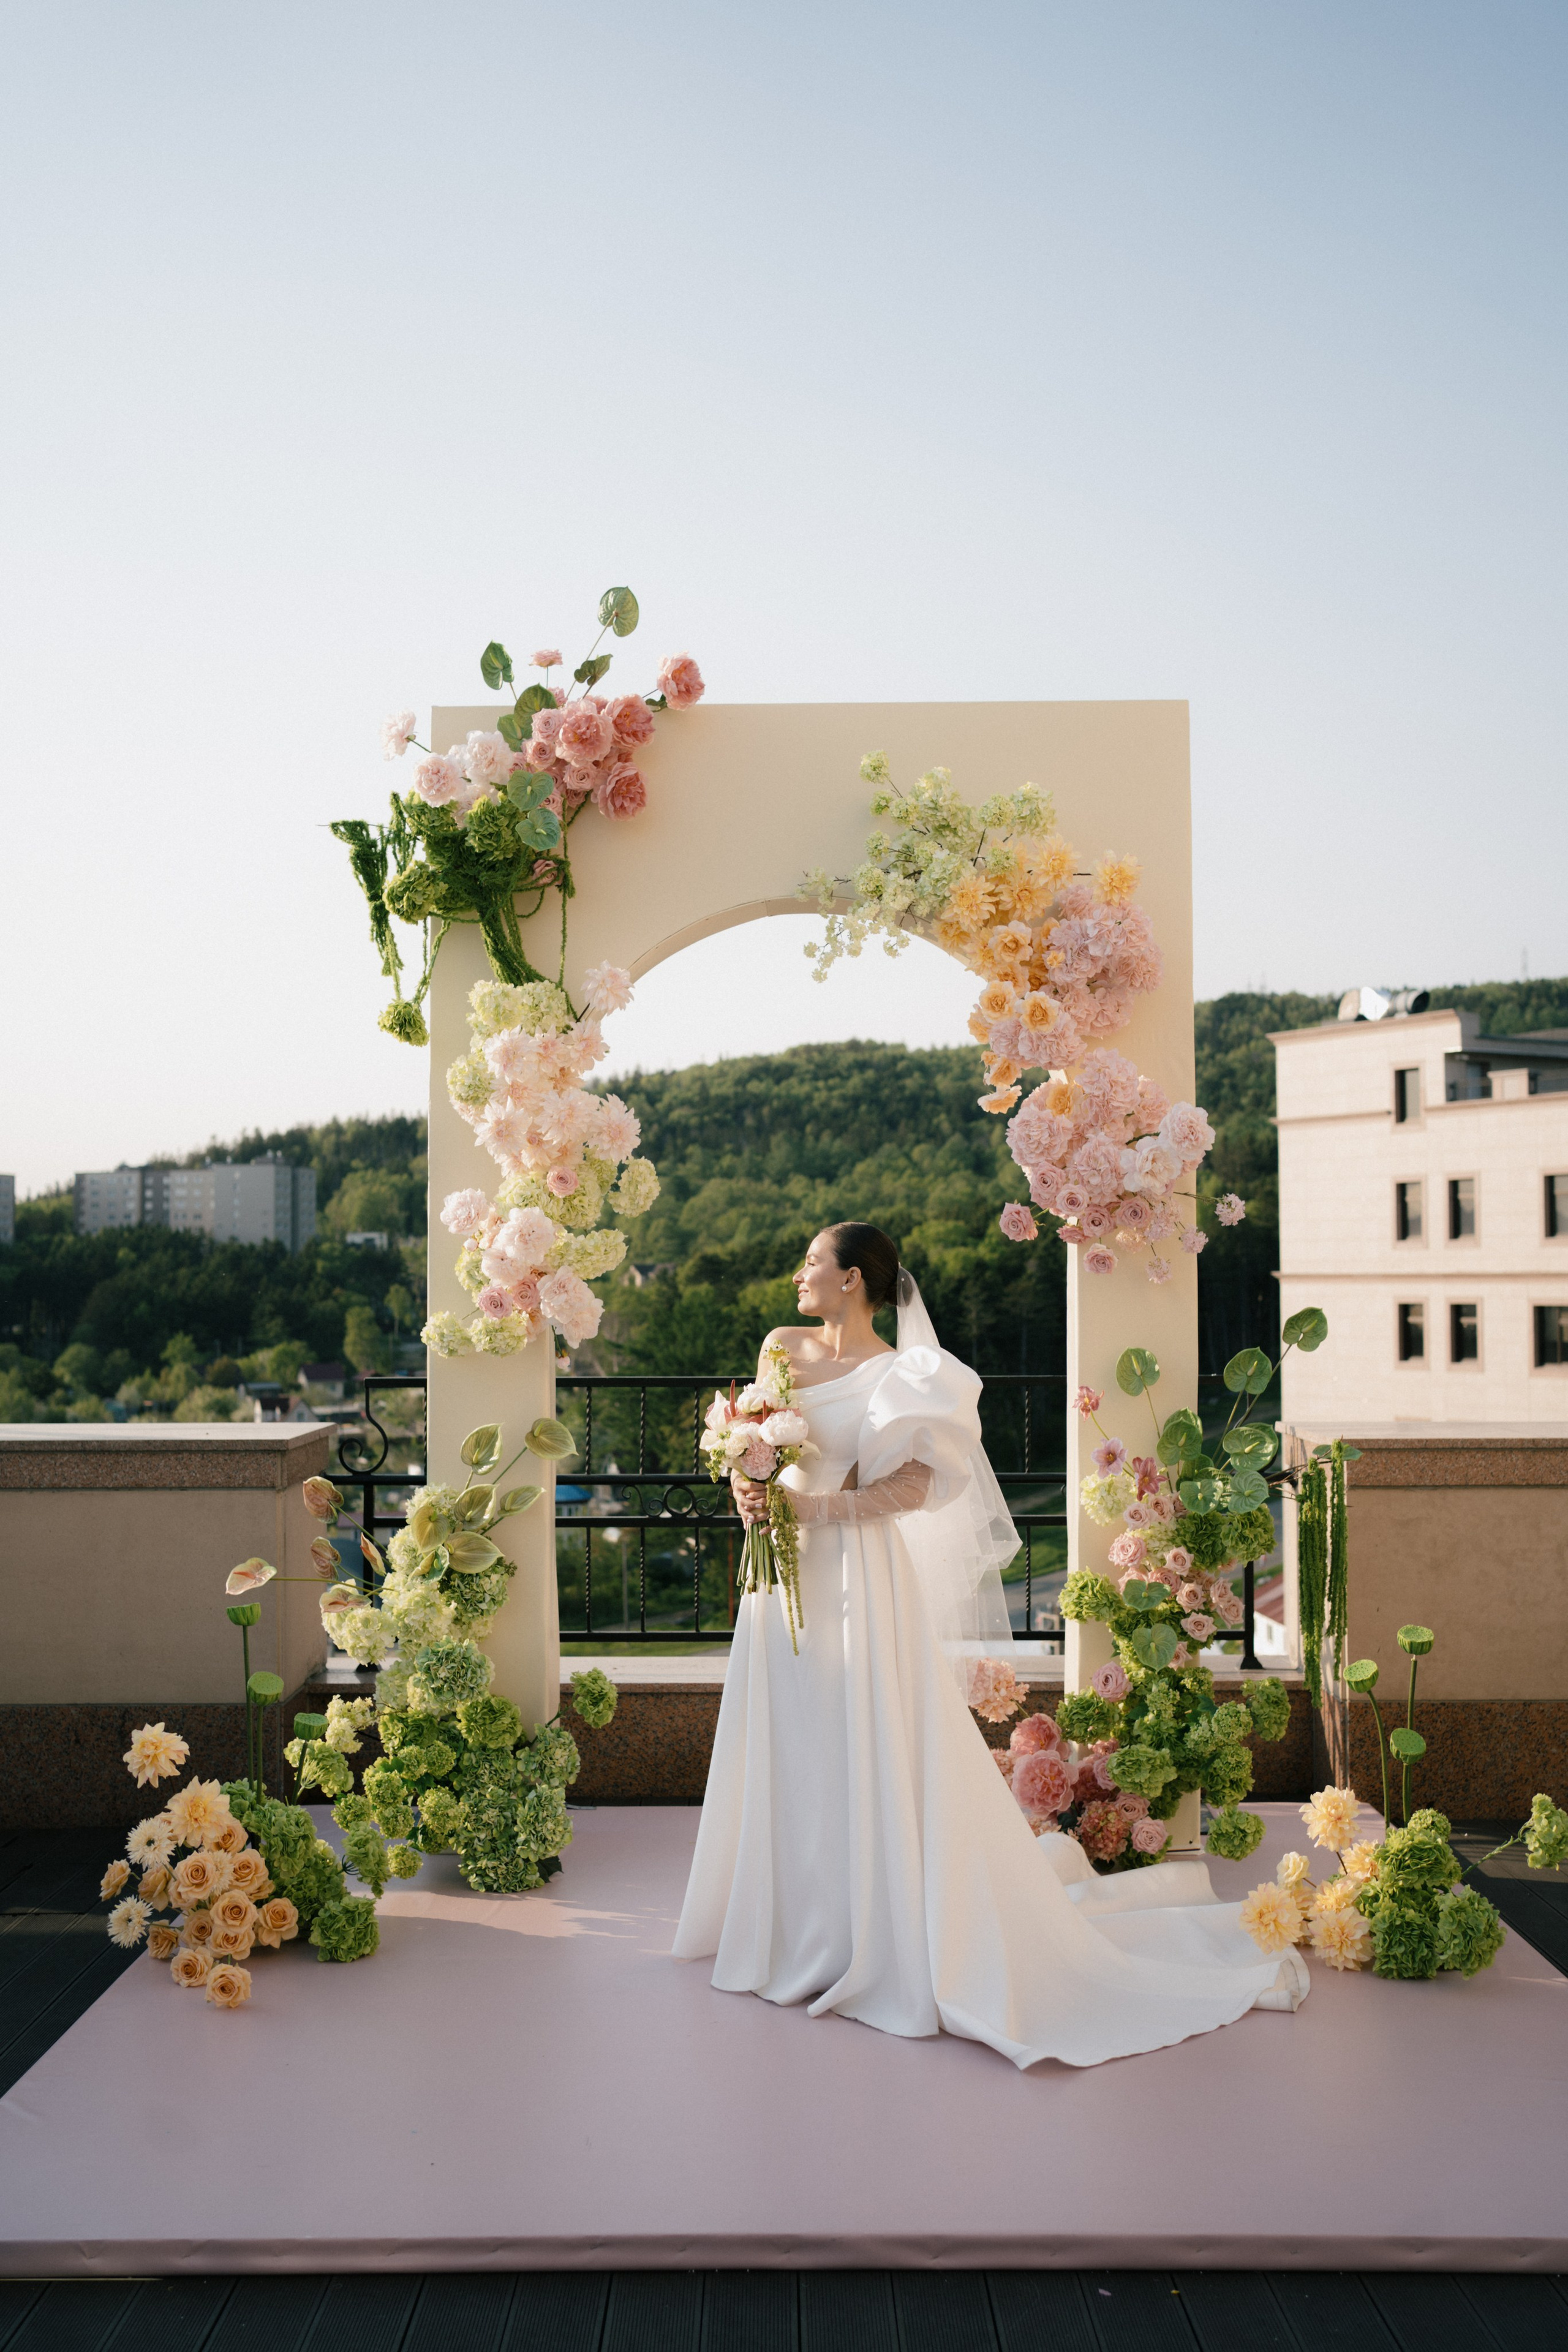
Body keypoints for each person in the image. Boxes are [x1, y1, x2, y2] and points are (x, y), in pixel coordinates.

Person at [671, 1221, 1306, 2069]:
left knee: (861, 1740)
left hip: (858, 1574)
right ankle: (792, 1926)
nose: (799, 1276)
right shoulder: (780, 1348)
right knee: (789, 1736)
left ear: (853, 1279)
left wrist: (811, 1512)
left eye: (813, 1264)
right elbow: (757, 1453)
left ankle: (869, 1933)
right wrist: (750, 1496)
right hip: (779, 1581)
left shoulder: (908, 1375)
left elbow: (914, 1486)